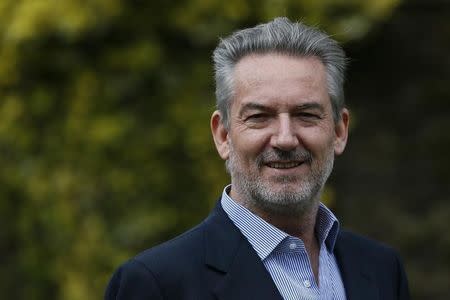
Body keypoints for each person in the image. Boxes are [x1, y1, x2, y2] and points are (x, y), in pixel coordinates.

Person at [105, 17, 410, 300]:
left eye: (306, 115)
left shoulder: (382, 269)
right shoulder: (157, 284)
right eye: (259, 117)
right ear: (223, 135)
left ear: (340, 130)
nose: (285, 138)